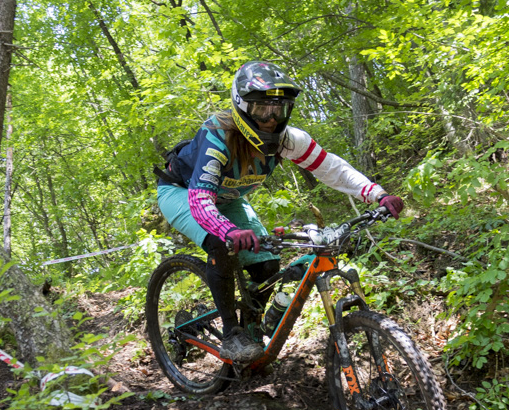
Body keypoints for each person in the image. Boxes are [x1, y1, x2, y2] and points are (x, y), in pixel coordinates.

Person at [156, 61, 404, 363]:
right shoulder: (217, 135)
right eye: (262, 109)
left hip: (227, 198)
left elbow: (331, 168)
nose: (272, 119)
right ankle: (232, 335)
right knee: (222, 244)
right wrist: (229, 230)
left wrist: (377, 194)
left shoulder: (289, 140)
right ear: (242, 106)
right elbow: (200, 201)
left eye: (280, 109)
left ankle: (251, 327)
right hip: (181, 192)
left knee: (268, 265)